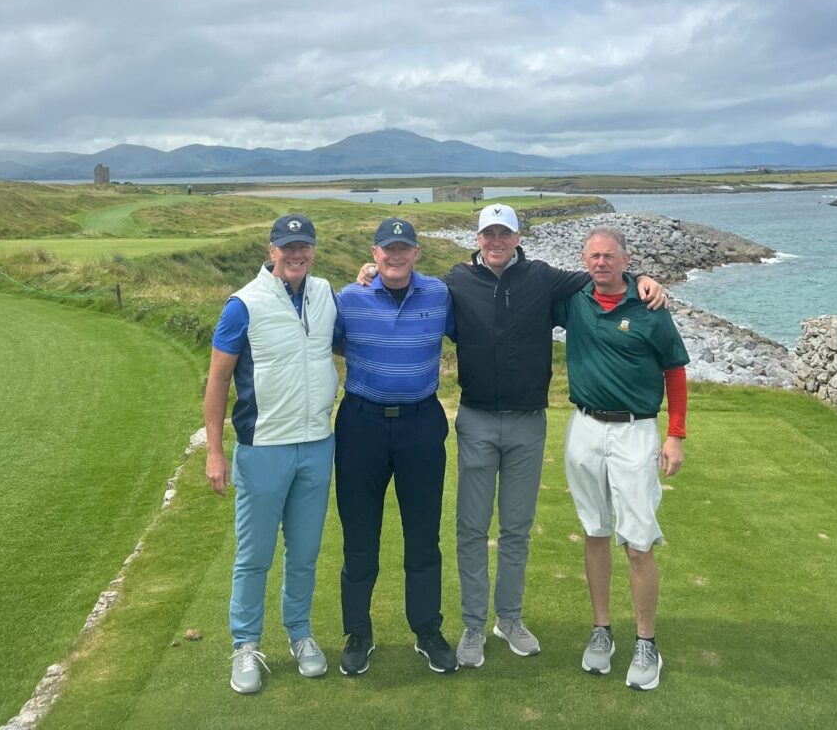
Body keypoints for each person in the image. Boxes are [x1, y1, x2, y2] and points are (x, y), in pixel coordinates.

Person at [357, 204, 666, 669]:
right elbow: (409, 286)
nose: (496, 241)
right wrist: (371, 275)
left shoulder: (542, 277)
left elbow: (601, 275)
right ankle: (473, 624)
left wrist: (642, 276)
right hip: (477, 419)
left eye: (504, 234)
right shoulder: (455, 281)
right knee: (471, 529)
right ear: (478, 239)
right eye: (489, 234)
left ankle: (510, 619)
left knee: (516, 529)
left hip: (528, 421)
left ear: (517, 238)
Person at [204, 213, 338, 695]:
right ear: (272, 249)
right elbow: (218, 379)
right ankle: (245, 646)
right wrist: (215, 452)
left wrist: (366, 276)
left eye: (304, 245)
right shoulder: (243, 304)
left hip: (317, 444)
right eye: (288, 246)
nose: (296, 254)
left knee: (303, 554)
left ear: (313, 249)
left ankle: (300, 634)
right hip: (262, 448)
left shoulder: (325, 293)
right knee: (255, 555)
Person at [553, 226, 689, 692]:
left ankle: (646, 642)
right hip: (585, 428)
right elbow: (516, 288)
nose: (600, 263)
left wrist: (675, 435)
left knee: (637, 541)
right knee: (594, 530)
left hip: (636, 430)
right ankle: (601, 630)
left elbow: (675, 371)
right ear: (584, 260)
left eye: (608, 256)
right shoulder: (574, 300)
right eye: (593, 256)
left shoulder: (650, 307)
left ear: (626, 260)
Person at [333, 218, 459, 676]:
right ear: (375, 252)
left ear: (417, 253)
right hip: (361, 426)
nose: (396, 255)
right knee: (360, 536)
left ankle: (427, 630)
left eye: (404, 248)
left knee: (424, 536)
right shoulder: (350, 298)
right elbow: (327, 343)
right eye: (388, 249)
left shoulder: (440, 295)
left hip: (421, 424)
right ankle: (358, 633)